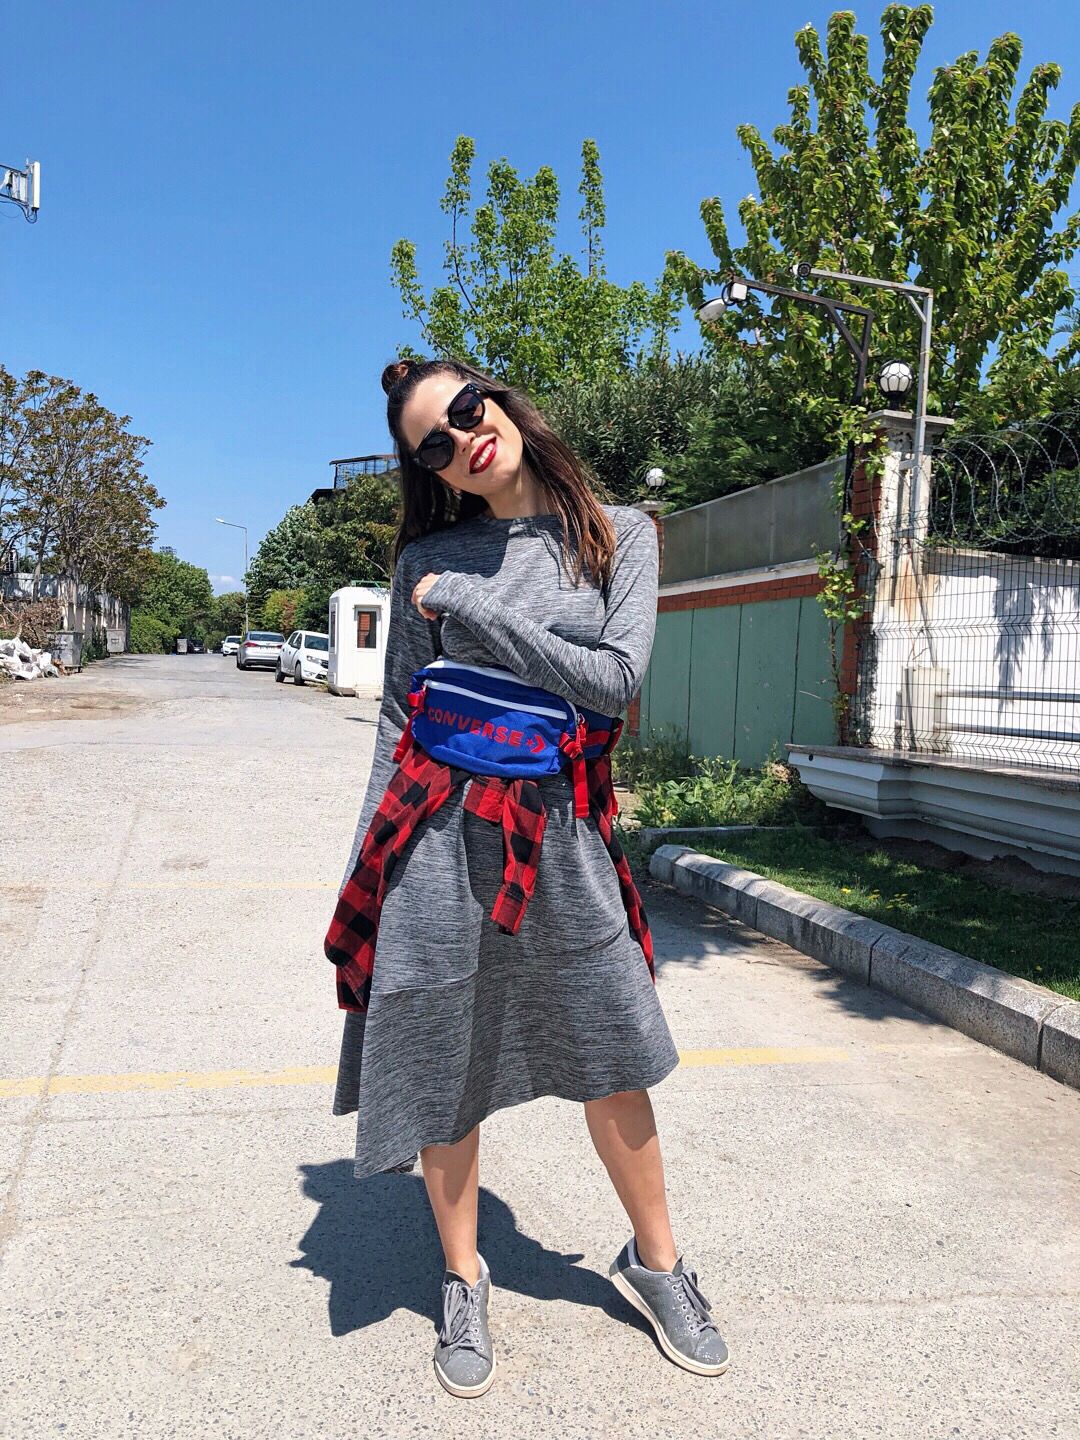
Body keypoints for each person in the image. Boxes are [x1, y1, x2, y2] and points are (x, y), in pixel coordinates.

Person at [327, 357, 730, 1397]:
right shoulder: (426, 555)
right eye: (434, 442)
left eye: (467, 409)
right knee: (442, 1058)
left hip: (562, 833)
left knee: (612, 1049)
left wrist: (474, 604)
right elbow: (399, 716)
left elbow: (611, 685)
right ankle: (463, 1275)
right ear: (429, 470)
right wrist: (371, 863)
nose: (463, 437)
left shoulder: (618, 534)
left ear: (499, 401)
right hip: (434, 832)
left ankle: (657, 1263)